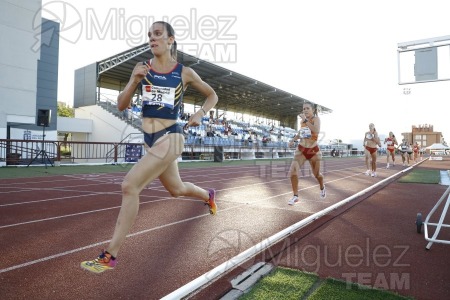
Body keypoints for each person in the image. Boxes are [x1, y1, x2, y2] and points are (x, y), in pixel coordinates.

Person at [80, 21, 219, 274]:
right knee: (176, 190)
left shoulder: (183, 72)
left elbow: (212, 95)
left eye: (157, 35)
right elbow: (122, 105)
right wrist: (134, 80)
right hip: (150, 140)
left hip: (172, 136)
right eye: (149, 36)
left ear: (170, 40)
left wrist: (201, 112)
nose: (152, 39)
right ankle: (207, 196)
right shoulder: (142, 69)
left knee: (129, 185)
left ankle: (110, 255)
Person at [287, 102, 326, 205]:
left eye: (307, 108)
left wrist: (305, 119)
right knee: (293, 172)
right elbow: (301, 132)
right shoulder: (302, 122)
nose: (305, 110)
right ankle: (295, 196)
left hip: (313, 151)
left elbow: (316, 130)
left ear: (312, 110)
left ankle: (322, 186)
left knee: (317, 174)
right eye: (304, 109)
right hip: (301, 150)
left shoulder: (316, 119)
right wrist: (293, 140)